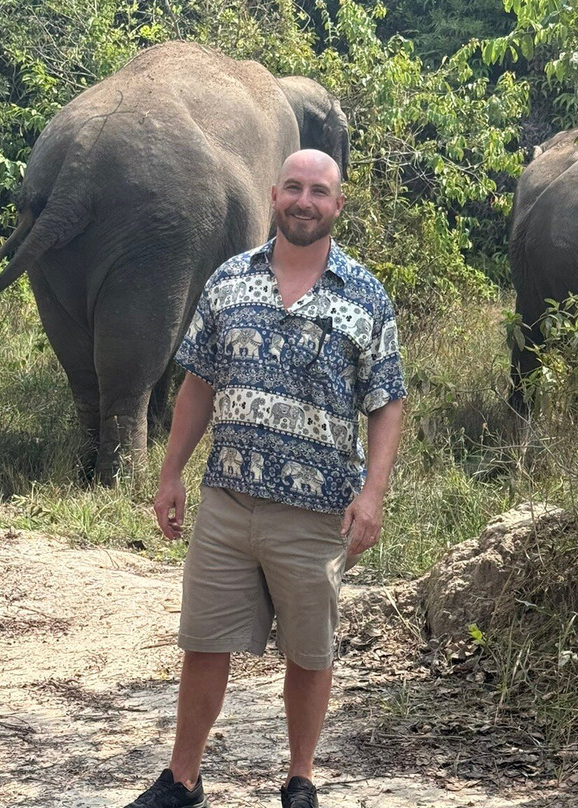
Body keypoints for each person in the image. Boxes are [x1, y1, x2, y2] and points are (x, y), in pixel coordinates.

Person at [124, 149, 406, 808]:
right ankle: (182, 779)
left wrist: (373, 496)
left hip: (317, 511)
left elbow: (387, 402)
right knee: (204, 643)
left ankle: (300, 779)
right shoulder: (229, 279)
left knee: (309, 653)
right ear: (274, 195)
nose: (305, 201)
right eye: (294, 188)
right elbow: (198, 384)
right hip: (227, 500)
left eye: (319, 191)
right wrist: (170, 474)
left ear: (338, 205)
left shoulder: (364, 294)